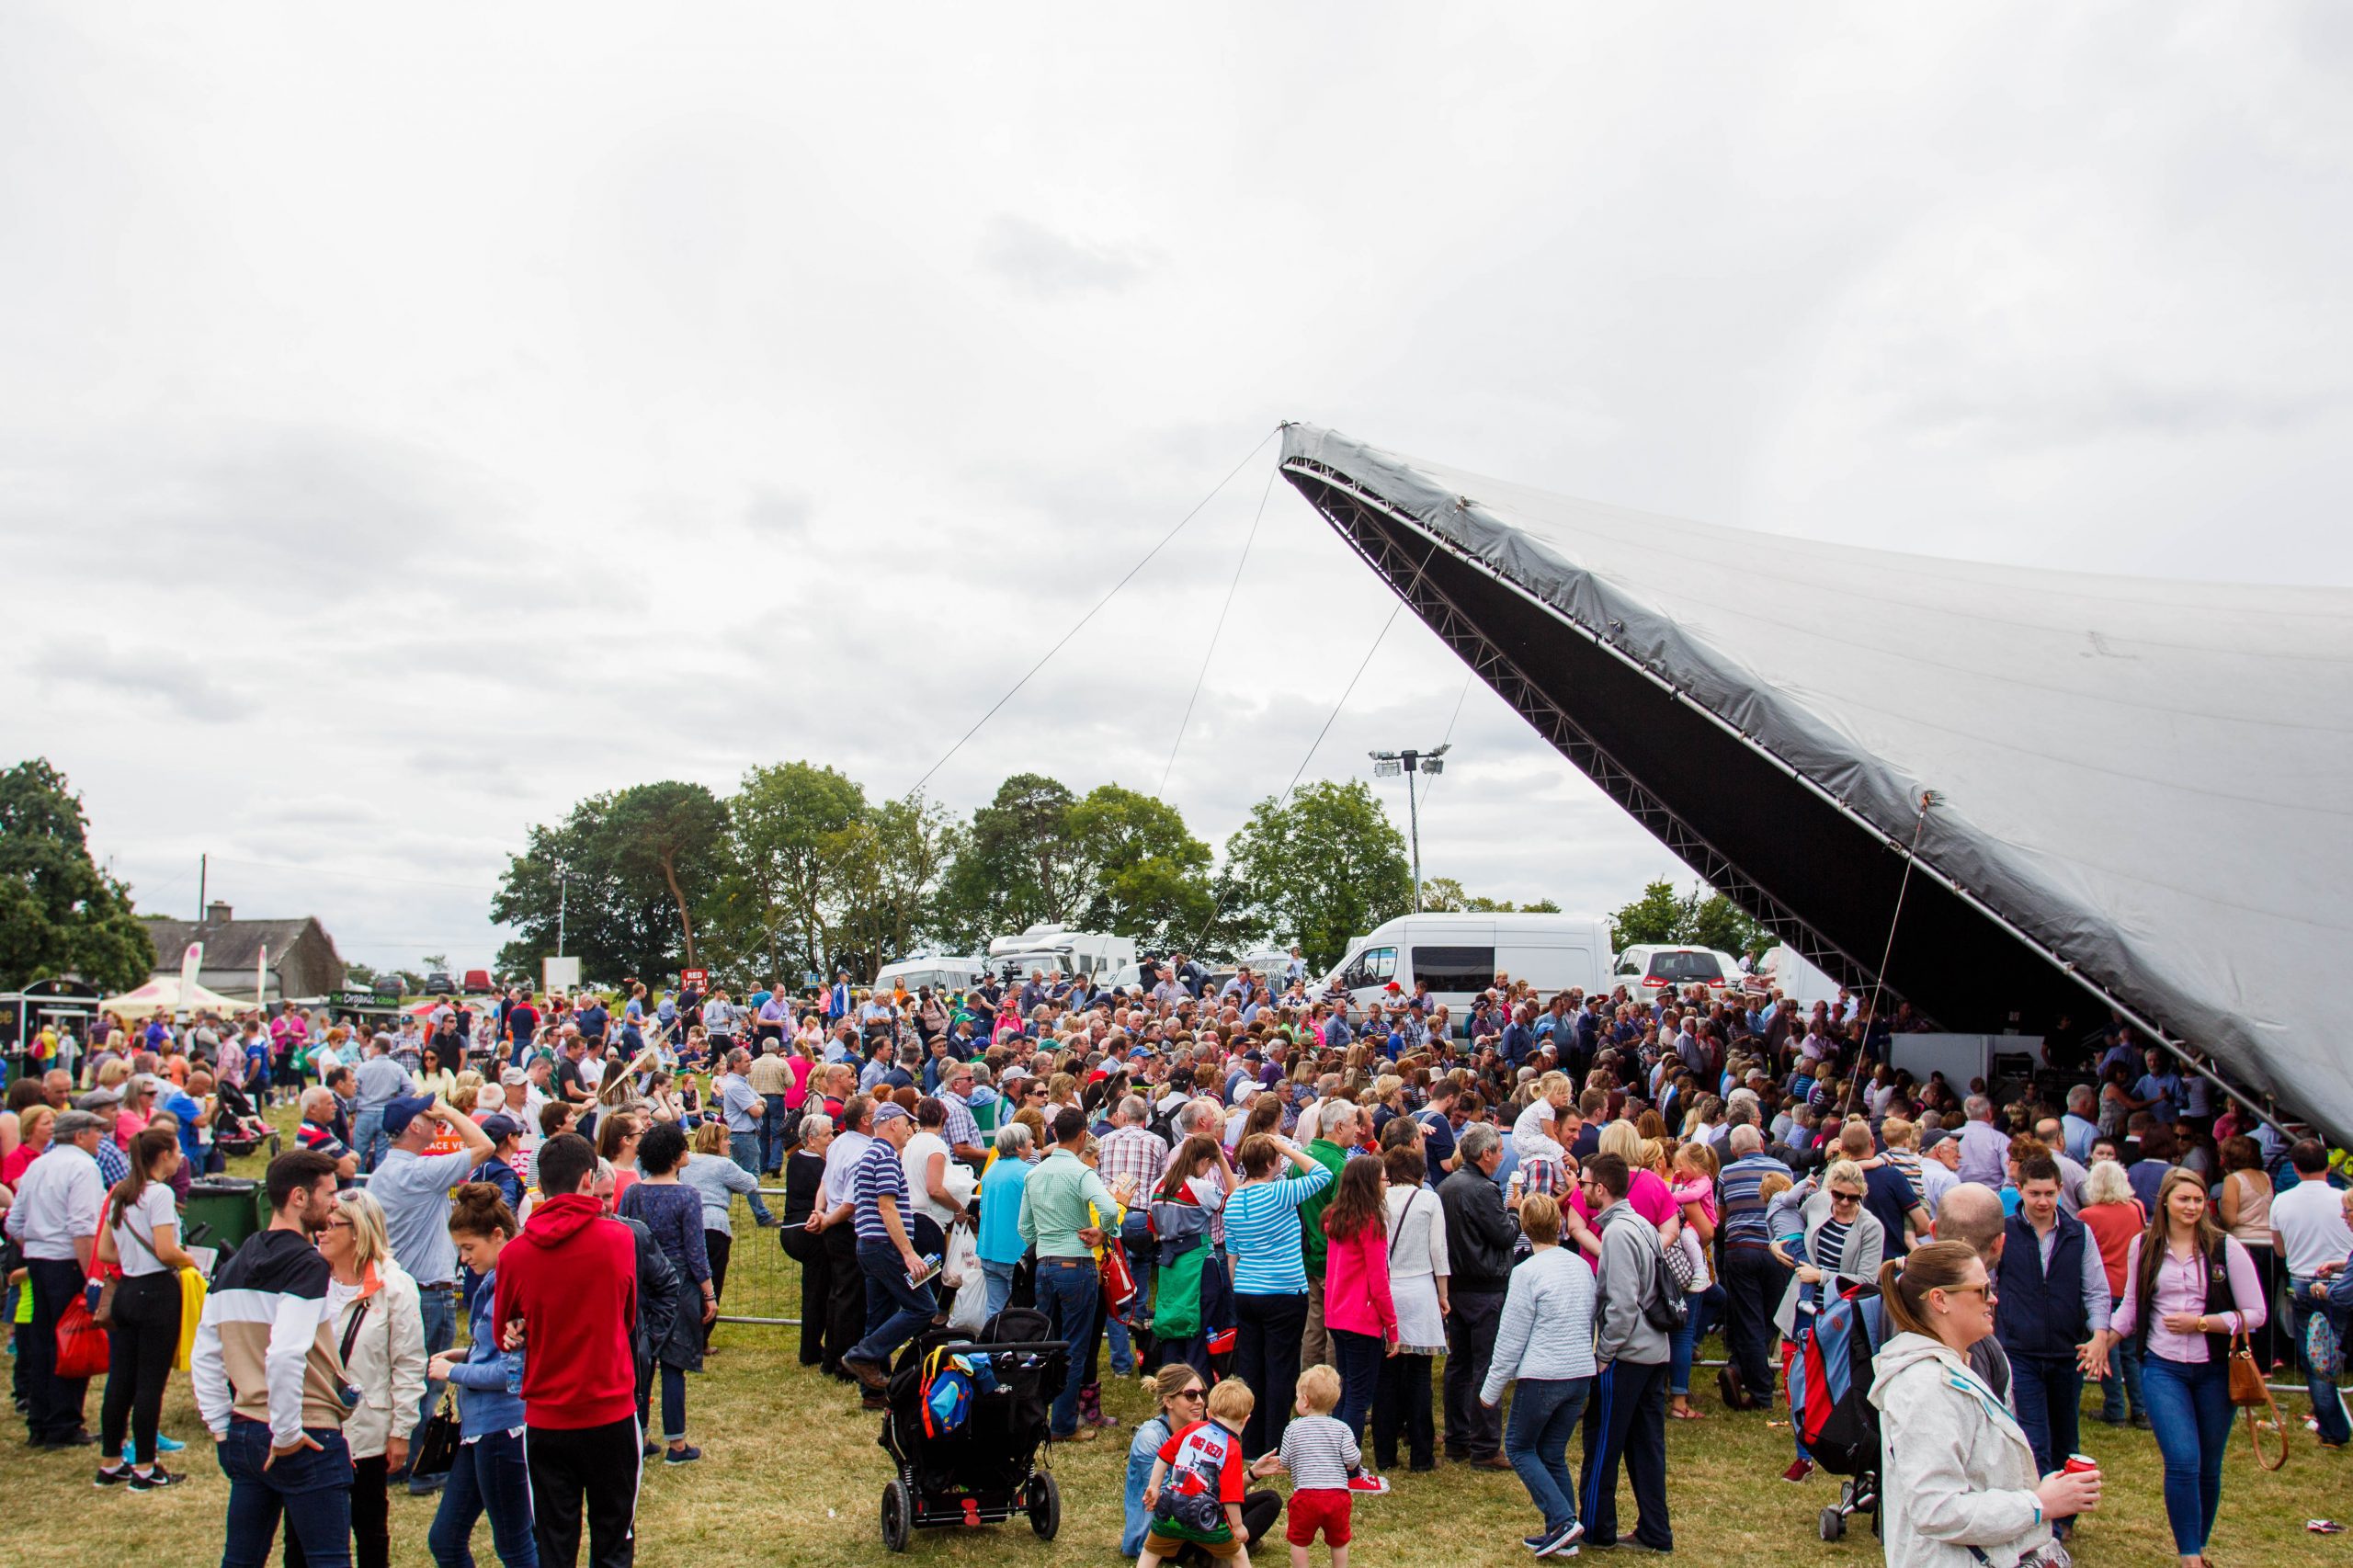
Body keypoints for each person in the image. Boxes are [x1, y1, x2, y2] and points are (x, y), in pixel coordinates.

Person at [1868, 1240, 2101, 1568]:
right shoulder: (1924, 1386)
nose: (1993, 1298)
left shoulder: (1950, 1368)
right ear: (1940, 1299)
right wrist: (2037, 1504)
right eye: (1982, 1289)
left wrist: (2042, 1493)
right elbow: (1936, 1509)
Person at [2096, 1165, 2268, 1568]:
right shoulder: (2144, 1246)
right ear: (2166, 1202)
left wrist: (2205, 1323)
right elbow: (2133, 1309)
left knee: (2208, 1464)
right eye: (2183, 1199)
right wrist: (2104, 1340)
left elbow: (2255, 1312)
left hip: (2213, 1369)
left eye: (2197, 1200)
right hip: (2163, 1368)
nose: (2192, 1207)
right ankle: (2190, 1556)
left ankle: (2199, 1544)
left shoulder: (2225, 1248)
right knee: (2182, 1459)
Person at [191, 1148, 355, 1568]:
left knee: (241, 1559)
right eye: (329, 1193)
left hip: (245, 1430)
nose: (335, 1202)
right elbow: (284, 1353)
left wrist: (221, 1428)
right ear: (299, 1197)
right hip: (303, 1431)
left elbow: (205, 1355)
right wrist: (286, 1433)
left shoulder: (235, 1263)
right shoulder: (306, 1264)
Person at [495, 1131, 643, 1568]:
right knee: (613, 1534)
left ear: (542, 1184)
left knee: (555, 1539)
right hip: (609, 1407)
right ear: (586, 1178)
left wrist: (522, 1328)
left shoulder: (515, 1254)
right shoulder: (618, 1240)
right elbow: (628, 1315)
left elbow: (503, 1324)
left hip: (548, 1414)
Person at [369, 1091, 494, 1496]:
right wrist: (451, 1111)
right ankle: (421, 1466)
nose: (433, 1119)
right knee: (428, 1380)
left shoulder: (385, 1173)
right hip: (427, 1290)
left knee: (400, 1378)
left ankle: (393, 1460)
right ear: (413, 1127)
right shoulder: (417, 1174)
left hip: (399, 1287)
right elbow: (484, 1145)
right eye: (426, 1115)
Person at [1992, 1153, 2109, 1541]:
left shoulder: (2079, 1234)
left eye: (2049, 1193)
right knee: (2033, 1437)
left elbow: (2095, 1290)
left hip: (2066, 1350)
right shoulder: (2005, 1233)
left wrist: (2099, 1334)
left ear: (2060, 1190)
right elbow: (1988, 1281)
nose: (2042, 1202)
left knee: (2065, 1436)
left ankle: (2066, 1516)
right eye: (2034, 1193)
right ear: (2020, 1191)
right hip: (2020, 1350)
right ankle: (2043, 1521)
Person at [1480, 1192, 1597, 1559]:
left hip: (1544, 1374)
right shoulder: (1579, 1266)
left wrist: (1491, 1389)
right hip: (1579, 1371)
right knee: (1551, 1451)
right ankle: (1562, 1530)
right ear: (1559, 1225)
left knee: (1518, 1446)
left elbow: (1511, 1338)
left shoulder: (1527, 1272)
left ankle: (1562, 1519)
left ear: (1525, 1228)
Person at [426, 1183, 538, 1568]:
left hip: (501, 1429)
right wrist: (468, 1354)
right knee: (445, 1538)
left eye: (468, 1248)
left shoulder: (511, 1284)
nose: (463, 1259)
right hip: (481, 1430)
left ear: (496, 1235)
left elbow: (513, 1373)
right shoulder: (496, 1282)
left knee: (514, 1544)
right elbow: (499, 1350)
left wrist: (453, 1371)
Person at [323, 1189, 428, 1568]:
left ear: (357, 1231)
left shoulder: (395, 1287)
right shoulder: (310, 1279)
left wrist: (402, 1431)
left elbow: (408, 1363)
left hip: (367, 1431)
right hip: (312, 1428)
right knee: (305, 1536)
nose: (322, 1232)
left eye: (332, 1225)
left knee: (369, 1528)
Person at [92, 1123, 198, 1489]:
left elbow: (106, 1251)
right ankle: (145, 1467)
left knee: (120, 1379)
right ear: (164, 1155)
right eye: (176, 1150)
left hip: (126, 1291)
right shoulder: (160, 1194)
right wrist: (190, 1260)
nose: (180, 1156)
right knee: (151, 1383)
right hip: (156, 1290)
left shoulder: (121, 1192)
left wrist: (133, 1254)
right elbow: (167, 1248)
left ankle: (110, 1461)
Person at [1577, 1152, 1673, 1554]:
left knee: (1602, 1444)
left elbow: (1621, 1303)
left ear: (1601, 1188)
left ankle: (1597, 1527)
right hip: (1654, 1351)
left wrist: (1605, 1353)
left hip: (1628, 1354)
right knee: (1646, 1446)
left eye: (1583, 1184)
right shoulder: (1644, 1226)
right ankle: (1655, 1529)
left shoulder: (1616, 1234)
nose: (1580, 1190)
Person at [1222, 1130, 1336, 1459]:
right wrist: (1283, 1145)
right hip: (1283, 1290)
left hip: (1247, 1289)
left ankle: (1252, 1439)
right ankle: (1275, 1442)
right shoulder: (1280, 1193)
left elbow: (1233, 1253)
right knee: (1281, 1367)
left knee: (1252, 1368)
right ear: (1272, 1162)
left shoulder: (1234, 1201)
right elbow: (1322, 1174)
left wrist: (1239, 1287)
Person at [1017, 1104, 1123, 1440]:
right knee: (1074, 1348)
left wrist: (1046, 1238)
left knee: (1046, 1343)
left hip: (1045, 1265)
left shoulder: (1034, 1173)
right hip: (1076, 1264)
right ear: (1082, 1137)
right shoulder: (1081, 1173)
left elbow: (1025, 1228)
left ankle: (1036, 1415)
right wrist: (1105, 1231)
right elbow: (1108, 1207)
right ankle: (1063, 1424)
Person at [6, 1107, 109, 1448]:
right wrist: (91, 1276)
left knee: (42, 1341)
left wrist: (37, 1245)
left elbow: (15, 1222)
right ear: (79, 1135)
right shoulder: (83, 1167)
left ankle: (41, 1420)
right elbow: (82, 1227)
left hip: (39, 1260)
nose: (101, 1138)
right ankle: (64, 1421)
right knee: (71, 1340)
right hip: (67, 1262)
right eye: (96, 1132)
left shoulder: (38, 1165)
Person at [617, 1120, 713, 1464]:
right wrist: (708, 1292)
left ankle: (639, 1435)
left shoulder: (632, 1193)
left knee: (642, 1364)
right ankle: (676, 1443)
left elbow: (620, 1236)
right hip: (678, 1285)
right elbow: (695, 1249)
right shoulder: (687, 1196)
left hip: (640, 1284)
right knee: (675, 1364)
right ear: (675, 1156)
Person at [1437, 1121, 1520, 1468]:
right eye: (1499, 1151)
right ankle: (1484, 1445)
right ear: (1486, 1154)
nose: (1502, 1156)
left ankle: (1458, 1438)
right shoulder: (1483, 1190)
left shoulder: (1446, 1186)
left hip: (1457, 1284)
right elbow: (1504, 1236)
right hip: (1485, 1285)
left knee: (1459, 1365)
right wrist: (1514, 1210)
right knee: (1485, 1366)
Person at [841, 1103, 936, 1403]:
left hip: (870, 1244)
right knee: (924, 1307)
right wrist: (908, 1254)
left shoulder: (870, 1154)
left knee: (880, 1315)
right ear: (892, 1124)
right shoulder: (884, 1156)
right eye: (907, 1124)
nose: (910, 1130)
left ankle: (873, 1391)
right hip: (886, 1245)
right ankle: (862, 1355)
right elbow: (887, 1206)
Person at [1318, 1153, 1397, 1483]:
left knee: (1345, 1390)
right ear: (1369, 1183)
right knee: (1358, 1396)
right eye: (1383, 1178)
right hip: (1362, 1317)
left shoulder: (1336, 1218)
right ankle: (1347, 1465)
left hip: (1337, 1314)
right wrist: (1392, 1325)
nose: (1387, 1183)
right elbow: (1379, 1281)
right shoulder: (1370, 1224)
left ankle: (1333, 1456)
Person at [2269, 1138, 2353, 1449]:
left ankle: (2332, 1430)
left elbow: (2279, 1249)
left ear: (2294, 1167)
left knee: (2317, 1358)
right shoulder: (2342, 1198)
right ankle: (2331, 1422)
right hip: (2343, 1277)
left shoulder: (2281, 1201)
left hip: (2307, 1282)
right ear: (2329, 1166)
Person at [1372, 1143, 1447, 1473]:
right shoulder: (1428, 1200)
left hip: (1386, 1288)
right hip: (1419, 1288)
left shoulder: (1378, 1200)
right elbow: (1438, 1251)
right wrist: (1443, 1294)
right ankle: (1421, 1454)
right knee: (1419, 1375)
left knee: (1386, 1376)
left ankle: (1385, 1453)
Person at [1136, 1377, 1260, 1568]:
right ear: (1246, 1420)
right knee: (1238, 1553)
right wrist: (1237, 1526)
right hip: (1207, 1518)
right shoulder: (1232, 1448)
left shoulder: (1192, 1429)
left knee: (1151, 1551)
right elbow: (1230, 1496)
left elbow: (1163, 1456)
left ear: (1209, 1413)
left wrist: (1154, 1486)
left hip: (1169, 1506)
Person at [1713, 1121, 1790, 1412]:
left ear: (1733, 1149)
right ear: (1761, 1142)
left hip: (1741, 1249)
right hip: (1777, 1248)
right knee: (1770, 1318)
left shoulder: (1728, 1172)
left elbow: (1723, 1215)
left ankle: (1746, 1375)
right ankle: (1755, 1381)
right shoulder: (1782, 1170)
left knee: (1749, 1318)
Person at [1262, 1362, 1360, 1568]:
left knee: (1299, 1540)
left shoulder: (1293, 1428)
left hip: (1306, 1495)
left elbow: (1287, 1459)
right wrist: (1351, 1464)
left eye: (1297, 1396)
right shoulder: (1342, 1428)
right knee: (1339, 1539)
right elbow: (1352, 1459)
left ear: (1305, 1401)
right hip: (1337, 1495)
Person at [2077, 1158, 2148, 1427]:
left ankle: (2115, 1409)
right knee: (2130, 1353)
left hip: (2103, 1289)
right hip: (2130, 1286)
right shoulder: (2136, 1209)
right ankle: (2140, 1410)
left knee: (2107, 1350)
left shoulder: (2088, 1216)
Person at [680, 1117, 762, 1350]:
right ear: (715, 1142)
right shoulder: (723, 1166)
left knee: (689, 1279)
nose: (730, 1144)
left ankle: (685, 1332)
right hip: (714, 1226)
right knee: (712, 1279)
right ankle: (702, 1336)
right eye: (726, 1139)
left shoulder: (688, 1163)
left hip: (688, 1224)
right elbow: (750, 1183)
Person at [975, 1120, 1035, 1322]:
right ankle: (1019, 1350)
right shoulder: (1026, 1173)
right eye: (1029, 1140)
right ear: (1019, 1147)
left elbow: (982, 1212)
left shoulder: (990, 1171)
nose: (1033, 1142)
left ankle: (993, 1349)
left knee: (995, 1309)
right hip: (1016, 1253)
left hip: (989, 1250)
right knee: (1022, 1311)